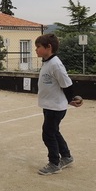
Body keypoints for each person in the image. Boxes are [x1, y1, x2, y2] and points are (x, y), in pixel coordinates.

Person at [35, 33, 83, 175]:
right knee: (54, 131)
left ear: (48, 47)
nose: (36, 50)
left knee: (48, 133)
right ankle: (66, 156)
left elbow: (67, 84)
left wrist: (71, 100)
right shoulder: (47, 62)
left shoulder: (56, 64)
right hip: (49, 105)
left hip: (55, 107)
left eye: (38, 47)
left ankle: (54, 163)